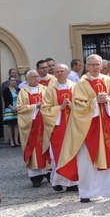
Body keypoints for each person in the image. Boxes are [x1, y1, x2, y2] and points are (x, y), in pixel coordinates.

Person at [57, 54, 110, 203]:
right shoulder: (81, 83)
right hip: (88, 128)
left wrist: (108, 100)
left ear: (102, 66)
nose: (95, 67)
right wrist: (95, 102)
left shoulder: (109, 81)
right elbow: (77, 106)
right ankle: (88, 192)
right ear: (86, 66)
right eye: (92, 64)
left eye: (98, 64)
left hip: (107, 126)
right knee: (87, 161)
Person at [42, 64, 78, 192]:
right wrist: (60, 108)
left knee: (74, 153)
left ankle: (73, 182)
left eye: (62, 71)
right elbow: (44, 109)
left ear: (67, 72)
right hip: (58, 126)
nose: (59, 74)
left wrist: (72, 105)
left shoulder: (75, 87)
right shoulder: (50, 89)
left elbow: (82, 104)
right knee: (59, 154)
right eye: (57, 72)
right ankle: (58, 180)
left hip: (73, 125)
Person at [17, 70, 50, 187]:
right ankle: (36, 176)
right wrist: (35, 106)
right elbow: (19, 108)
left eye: (37, 76)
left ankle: (48, 172)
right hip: (31, 125)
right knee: (34, 148)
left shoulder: (45, 89)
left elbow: (50, 103)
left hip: (44, 124)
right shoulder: (23, 92)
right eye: (34, 77)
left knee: (46, 146)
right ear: (27, 79)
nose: (37, 78)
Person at [2, 76, 20, 146]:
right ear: (9, 81)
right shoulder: (6, 90)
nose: (13, 82)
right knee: (10, 125)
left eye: (14, 80)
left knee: (16, 125)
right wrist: (13, 108)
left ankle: (16, 140)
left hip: (17, 108)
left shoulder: (17, 89)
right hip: (9, 109)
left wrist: (17, 108)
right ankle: (11, 141)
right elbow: (6, 101)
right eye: (12, 80)